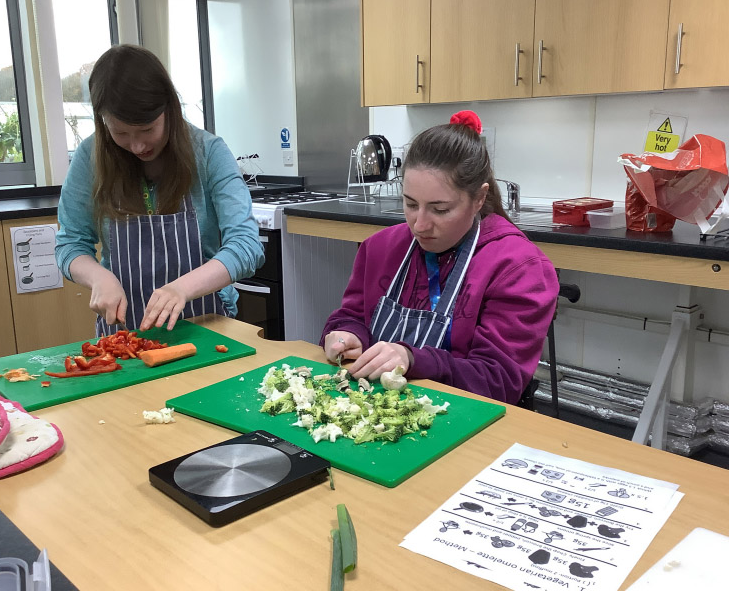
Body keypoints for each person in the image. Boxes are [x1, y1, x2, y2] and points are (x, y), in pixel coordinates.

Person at [321, 110, 559, 404]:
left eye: (440, 209)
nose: (419, 225)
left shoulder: (517, 268)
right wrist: (346, 333)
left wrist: (412, 358)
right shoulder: (380, 248)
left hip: (466, 421)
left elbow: (498, 381)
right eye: (410, 204)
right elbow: (353, 314)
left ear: (479, 198)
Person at [55, 44, 264, 335]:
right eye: (121, 133)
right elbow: (70, 244)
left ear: (169, 108)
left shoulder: (209, 153)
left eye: (147, 130)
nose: (138, 146)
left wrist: (181, 289)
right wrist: (99, 277)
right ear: (103, 123)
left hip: (205, 326)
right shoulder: (89, 158)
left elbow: (246, 246)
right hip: (124, 334)